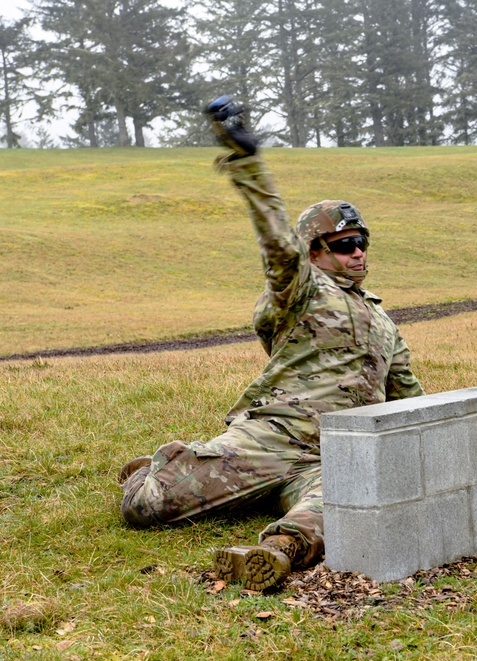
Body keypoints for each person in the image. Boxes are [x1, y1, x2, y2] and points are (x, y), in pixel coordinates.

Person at [117, 97, 424, 591]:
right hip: (274, 436)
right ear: (315, 252)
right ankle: (164, 468)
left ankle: (274, 552)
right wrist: (247, 163)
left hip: (333, 454)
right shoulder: (299, 291)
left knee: (347, 503)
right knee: (147, 508)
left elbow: (408, 396)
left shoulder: (383, 320)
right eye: (344, 244)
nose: (358, 251)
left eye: (362, 241)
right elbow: (278, 246)